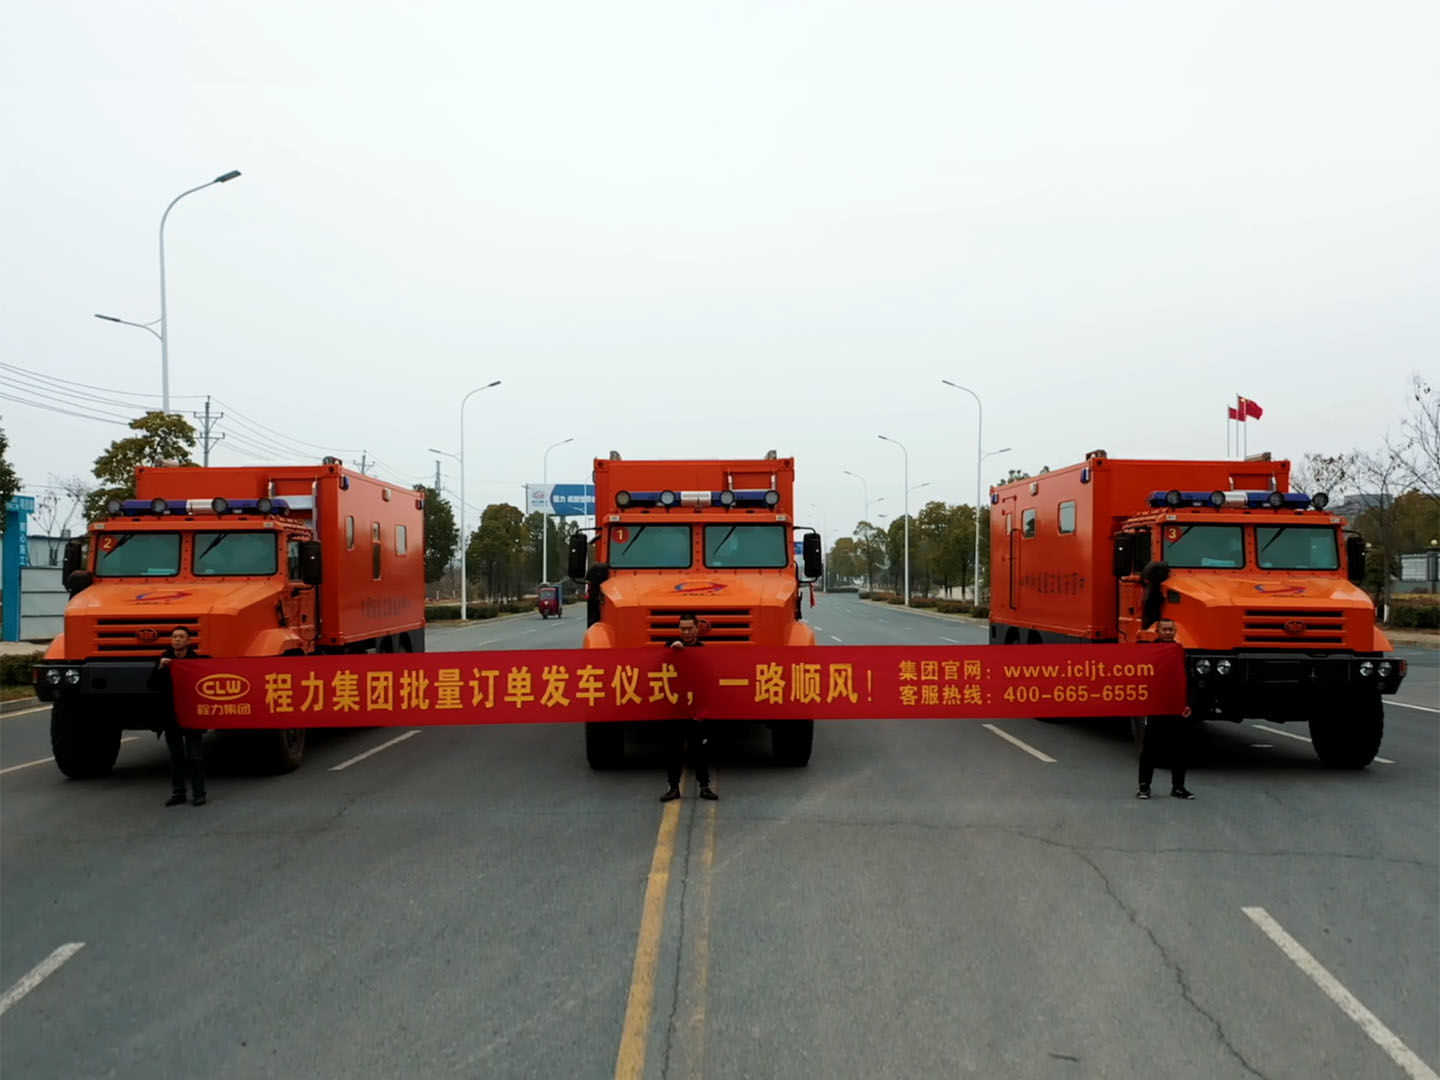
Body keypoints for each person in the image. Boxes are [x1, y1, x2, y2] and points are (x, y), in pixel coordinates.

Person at [147, 626, 208, 807]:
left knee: (195, 756)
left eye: (181, 637)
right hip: (171, 716)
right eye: (174, 636)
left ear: (188, 641)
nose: (177, 640)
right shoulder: (163, 660)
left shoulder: (195, 662)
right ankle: (178, 792)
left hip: (191, 716)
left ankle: (199, 793)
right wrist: (160, 669)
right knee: (175, 757)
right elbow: (150, 685)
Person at [1136, 617, 1196, 800]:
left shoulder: (1182, 653)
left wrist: (1189, 704)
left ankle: (1178, 787)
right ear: (1158, 632)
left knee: (1179, 750)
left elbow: (1190, 681)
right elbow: (1140, 677)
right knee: (1150, 749)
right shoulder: (1149, 652)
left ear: (1175, 632)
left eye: (1171, 630)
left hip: (1176, 708)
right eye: (1165, 629)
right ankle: (1144, 786)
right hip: (1156, 707)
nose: (1168, 633)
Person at [660, 613, 717, 802]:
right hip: (675, 708)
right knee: (673, 751)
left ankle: (704, 786)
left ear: (697, 629)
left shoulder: (703, 651)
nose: (686, 632)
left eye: (689, 628)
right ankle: (673, 787)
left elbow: (709, 681)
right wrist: (674, 648)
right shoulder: (670, 647)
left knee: (700, 751)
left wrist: (704, 711)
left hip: (696, 711)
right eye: (682, 628)